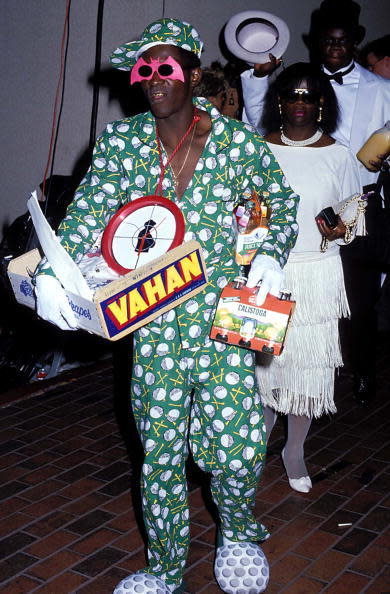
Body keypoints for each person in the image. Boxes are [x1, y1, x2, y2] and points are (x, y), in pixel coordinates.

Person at [33, 18, 300, 594]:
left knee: (237, 445)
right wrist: (57, 273)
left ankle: (236, 531)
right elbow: (87, 214)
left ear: (193, 75)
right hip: (151, 319)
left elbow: (278, 200)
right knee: (159, 454)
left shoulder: (234, 142)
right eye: (143, 70)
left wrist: (272, 253)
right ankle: (164, 569)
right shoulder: (123, 142)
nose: (152, 79)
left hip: (224, 318)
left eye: (165, 68)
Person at [240, 0, 390, 406]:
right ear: (318, 43)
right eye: (328, 41)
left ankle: (359, 368)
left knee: (357, 301)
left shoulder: (382, 89)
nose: (335, 48)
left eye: (343, 41)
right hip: (300, 211)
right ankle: (271, 390)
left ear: (355, 43)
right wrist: (259, 78)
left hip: (358, 206)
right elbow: (259, 124)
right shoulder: (296, 85)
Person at [254, 62, 361, 493]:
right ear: (279, 101)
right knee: (261, 364)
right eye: (292, 94)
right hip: (267, 270)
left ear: (321, 105)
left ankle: (294, 450)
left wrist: (343, 230)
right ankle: (252, 447)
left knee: (307, 369)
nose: (300, 102)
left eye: (309, 95)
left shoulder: (338, 154)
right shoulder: (258, 149)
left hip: (317, 273)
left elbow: (353, 215)